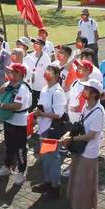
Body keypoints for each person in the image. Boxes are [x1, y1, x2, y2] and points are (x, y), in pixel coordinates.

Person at [60, 79, 105, 209]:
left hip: (89, 152)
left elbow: (91, 135)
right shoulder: (87, 106)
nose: (83, 91)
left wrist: (72, 140)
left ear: (94, 94)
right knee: (76, 177)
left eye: (87, 89)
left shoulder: (99, 111)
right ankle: (77, 206)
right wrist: (68, 135)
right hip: (80, 149)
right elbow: (79, 126)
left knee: (84, 182)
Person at [33, 65, 67, 199]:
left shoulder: (57, 92)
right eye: (47, 70)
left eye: (50, 71)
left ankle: (55, 187)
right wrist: (38, 111)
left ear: (57, 75)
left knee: (53, 158)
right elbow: (41, 105)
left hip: (52, 130)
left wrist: (42, 113)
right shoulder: (45, 88)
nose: (47, 73)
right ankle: (47, 182)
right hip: (44, 128)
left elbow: (59, 114)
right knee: (46, 158)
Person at [0, 63, 32, 185]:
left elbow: (18, 105)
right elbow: (0, 92)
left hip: (19, 122)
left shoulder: (23, 88)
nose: (11, 74)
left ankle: (21, 172)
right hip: (9, 119)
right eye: (11, 72)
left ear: (21, 74)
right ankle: (7, 166)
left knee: (20, 148)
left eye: (14, 72)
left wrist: (2, 106)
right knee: (9, 145)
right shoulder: (11, 84)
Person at [26, 38, 51, 109]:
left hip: (41, 88)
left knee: (41, 107)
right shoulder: (31, 55)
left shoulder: (46, 58)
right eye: (34, 43)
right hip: (31, 86)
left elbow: (48, 72)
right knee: (31, 106)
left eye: (37, 43)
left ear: (42, 46)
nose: (35, 45)